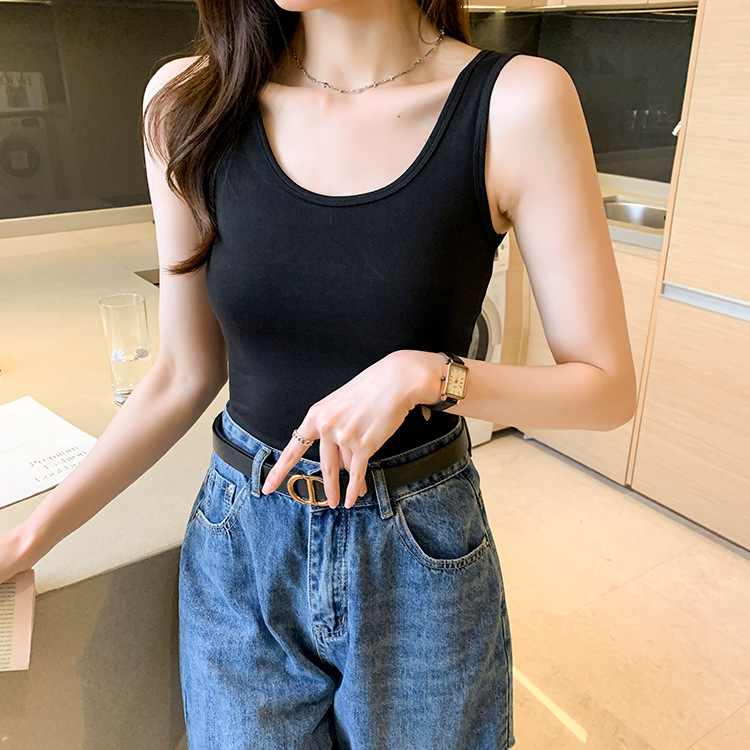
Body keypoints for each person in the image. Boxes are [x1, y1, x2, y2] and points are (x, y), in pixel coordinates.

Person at [0, 0, 637, 747]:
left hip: (417, 554)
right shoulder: (188, 104)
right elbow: (182, 372)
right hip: (241, 547)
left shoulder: (517, 102)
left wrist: (428, 374)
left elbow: (606, 387)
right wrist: (29, 536)